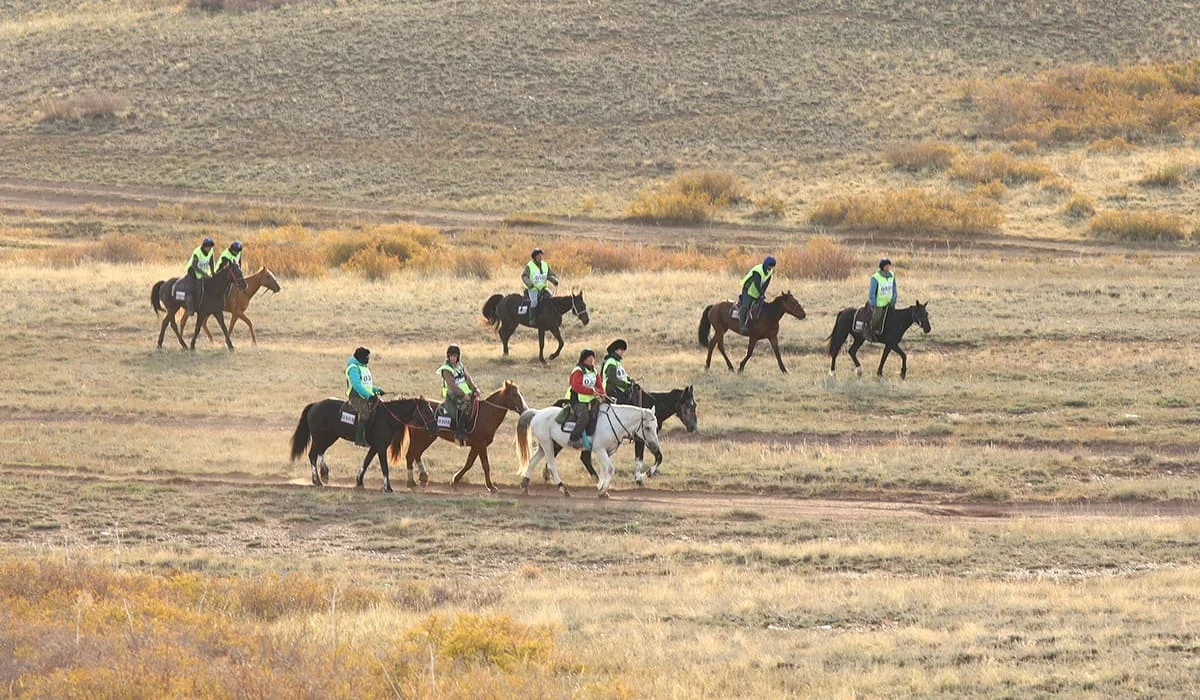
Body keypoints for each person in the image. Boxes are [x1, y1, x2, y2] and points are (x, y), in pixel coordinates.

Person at [436, 344, 480, 443]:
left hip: (464, 392)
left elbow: (468, 380)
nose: (453, 358)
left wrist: (475, 389)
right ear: (448, 356)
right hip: (452, 393)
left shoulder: (460, 366)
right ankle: (459, 431)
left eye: (455, 356)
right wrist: (464, 395)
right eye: (451, 356)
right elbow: (452, 386)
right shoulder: (446, 369)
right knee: (466, 405)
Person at [565, 348, 606, 449]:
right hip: (577, 400)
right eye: (589, 357)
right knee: (584, 416)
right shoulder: (578, 371)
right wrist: (592, 391)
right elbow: (576, 386)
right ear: (583, 359)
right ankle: (573, 438)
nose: (592, 359)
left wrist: (603, 394)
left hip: (591, 400)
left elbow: (599, 386)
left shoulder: (594, 372)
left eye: (593, 357)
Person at [345, 346, 385, 447]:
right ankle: (359, 439)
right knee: (365, 412)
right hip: (356, 396)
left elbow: (366, 385)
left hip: (366, 395)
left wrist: (377, 390)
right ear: (361, 357)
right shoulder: (353, 368)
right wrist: (368, 396)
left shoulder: (363, 367)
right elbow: (357, 385)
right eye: (367, 357)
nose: (368, 359)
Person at [737, 255, 776, 333]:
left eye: (772, 267)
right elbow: (756, 284)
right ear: (765, 264)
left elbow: (766, 283)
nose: (770, 268)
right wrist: (761, 293)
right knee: (746, 306)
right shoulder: (757, 271)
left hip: (757, 290)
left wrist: (763, 293)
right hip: (748, 289)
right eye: (769, 266)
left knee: (760, 306)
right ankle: (742, 326)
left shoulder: (770, 271)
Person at [521, 248, 559, 324]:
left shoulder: (545, 265)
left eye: (541, 255)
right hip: (532, 289)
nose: (540, 257)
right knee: (534, 302)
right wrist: (529, 284)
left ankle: (548, 316)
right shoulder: (529, 266)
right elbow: (524, 276)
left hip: (543, 288)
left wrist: (554, 281)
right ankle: (532, 319)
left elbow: (549, 275)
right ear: (534, 256)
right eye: (538, 255)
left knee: (550, 297)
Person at [183, 237, 216, 314]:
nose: (209, 249)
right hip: (193, 271)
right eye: (208, 247)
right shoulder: (197, 252)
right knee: (191, 289)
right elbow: (194, 266)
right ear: (204, 246)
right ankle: (190, 308)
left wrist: (213, 272)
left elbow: (211, 262)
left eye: (211, 247)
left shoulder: (211, 251)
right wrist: (204, 274)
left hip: (202, 271)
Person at [868, 258, 897, 339]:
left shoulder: (892, 275)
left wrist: (894, 299)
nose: (888, 267)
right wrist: (873, 303)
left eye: (888, 265)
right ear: (882, 267)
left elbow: (894, 288)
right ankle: (869, 329)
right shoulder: (875, 277)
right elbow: (872, 292)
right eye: (886, 266)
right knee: (876, 317)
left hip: (889, 303)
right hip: (879, 304)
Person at [602, 339, 635, 404]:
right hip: (613, 392)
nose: (623, 352)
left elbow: (622, 376)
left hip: (618, 391)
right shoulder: (611, 362)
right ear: (616, 350)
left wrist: (630, 380)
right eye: (621, 350)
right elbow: (612, 379)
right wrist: (626, 385)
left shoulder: (617, 362)